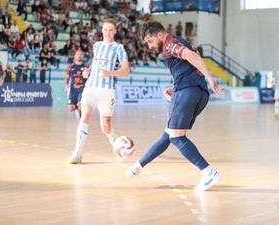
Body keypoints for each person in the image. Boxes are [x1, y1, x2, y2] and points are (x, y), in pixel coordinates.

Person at [125, 21, 224, 191]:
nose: (149, 46)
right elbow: (189, 65)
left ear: (161, 36)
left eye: (150, 41)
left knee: (177, 137)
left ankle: (208, 172)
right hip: (199, 93)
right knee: (169, 134)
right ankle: (138, 166)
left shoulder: (169, 44)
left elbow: (191, 57)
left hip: (187, 92)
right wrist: (176, 88)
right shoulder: (179, 41)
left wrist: (209, 77)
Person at [67, 18, 130, 164]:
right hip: (90, 88)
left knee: (105, 127)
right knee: (85, 116)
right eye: (105, 29)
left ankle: (114, 140)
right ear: (102, 30)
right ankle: (77, 153)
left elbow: (125, 71)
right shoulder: (96, 45)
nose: (107, 32)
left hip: (107, 92)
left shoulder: (119, 48)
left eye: (111, 30)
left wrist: (109, 73)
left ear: (115, 31)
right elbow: (96, 63)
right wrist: (87, 71)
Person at [65, 50, 89, 119]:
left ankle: (82, 120)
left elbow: (89, 78)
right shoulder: (70, 67)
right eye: (77, 54)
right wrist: (66, 85)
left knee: (81, 103)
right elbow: (67, 77)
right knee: (70, 108)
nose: (79, 56)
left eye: (81, 54)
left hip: (82, 89)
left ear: (83, 57)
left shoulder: (86, 67)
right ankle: (77, 108)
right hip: (73, 89)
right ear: (75, 56)